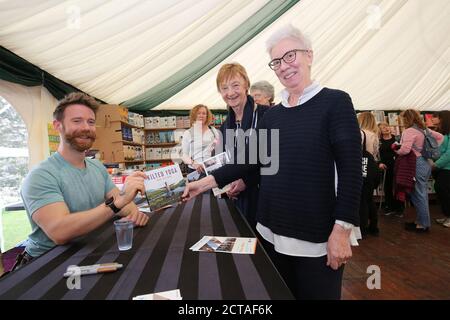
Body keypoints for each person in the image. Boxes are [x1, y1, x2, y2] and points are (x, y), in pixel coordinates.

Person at [183, 25, 362, 300]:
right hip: (270, 233)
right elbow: (249, 161)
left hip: (316, 238)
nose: (284, 66)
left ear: (309, 56)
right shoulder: (274, 115)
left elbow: (351, 172)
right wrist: (204, 183)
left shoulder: (335, 102)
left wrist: (342, 230)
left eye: (290, 56)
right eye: (277, 61)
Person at [17, 92, 149, 269]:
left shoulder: (97, 167)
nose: (86, 128)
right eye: (77, 121)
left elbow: (125, 205)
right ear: (58, 126)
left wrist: (132, 211)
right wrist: (118, 204)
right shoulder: (40, 176)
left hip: (87, 251)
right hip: (47, 263)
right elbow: (59, 231)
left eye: (91, 122)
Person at [216, 63, 269, 230]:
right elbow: (226, 160)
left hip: (265, 200)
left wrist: (246, 180)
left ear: (246, 84)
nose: (230, 93)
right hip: (237, 200)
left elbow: (274, 160)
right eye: (224, 88)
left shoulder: (266, 115)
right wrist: (227, 184)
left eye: (235, 85)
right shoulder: (226, 125)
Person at [395, 109, 443, 232]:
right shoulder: (425, 129)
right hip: (425, 162)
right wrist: (426, 149)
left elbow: (405, 150)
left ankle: (423, 224)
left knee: (418, 194)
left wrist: (396, 150)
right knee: (420, 193)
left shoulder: (409, 131)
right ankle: (421, 221)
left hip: (415, 163)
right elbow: (440, 138)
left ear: (407, 119)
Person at [358, 112, 380, 236]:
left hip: (363, 166)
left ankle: (363, 228)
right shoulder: (375, 135)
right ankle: (374, 226)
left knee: (362, 200)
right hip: (372, 167)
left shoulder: (361, 133)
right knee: (369, 198)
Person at [181, 104, 219, 175]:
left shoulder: (213, 131)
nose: (201, 115)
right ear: (194, 115)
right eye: (198, 113)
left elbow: (219, 148)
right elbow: (183, 155)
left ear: (207, 116)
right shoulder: (188, 133)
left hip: (210, 169)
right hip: (195, 170)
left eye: (204, 113)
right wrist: (193, 164)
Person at [378, 122, 403, 216]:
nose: (386, 128)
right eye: (383, 127)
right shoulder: (379, 141)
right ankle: (389, 206)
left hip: (397, 166)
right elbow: (377, 154)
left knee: (398, 186)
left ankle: (399, 208)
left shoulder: (397, 139)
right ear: (380, 131)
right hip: (385, 167)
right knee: (387, 187)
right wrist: (379, 163)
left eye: (387, 126)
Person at [432, 110, 450, 228]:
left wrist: (436, 164)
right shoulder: (441, 132)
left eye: (436, 117)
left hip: (447, 168)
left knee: (442, 188)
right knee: (440, 189)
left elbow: (449, 153)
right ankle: (447, 215)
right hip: (441, 167)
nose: (432, 119)